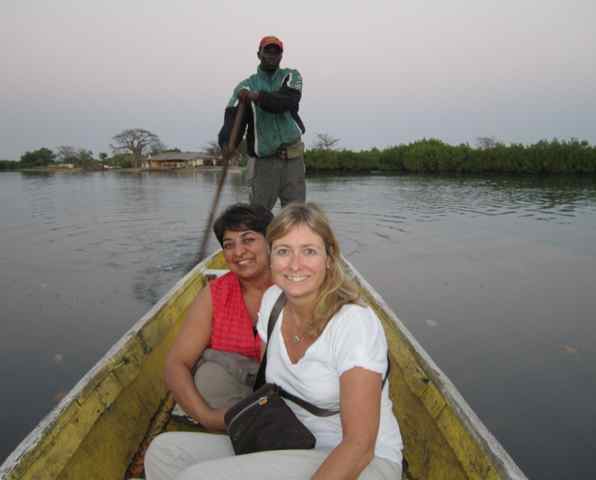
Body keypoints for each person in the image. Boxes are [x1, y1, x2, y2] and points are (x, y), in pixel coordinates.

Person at [145, 203, 403, 480]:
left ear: (329, 258)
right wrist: (216, 417)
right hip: (292, 438)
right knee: (164, 453)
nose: (295, 264)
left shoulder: (354, 323)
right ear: (271, 257)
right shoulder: (273, 304)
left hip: (361, 461)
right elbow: (269, 388)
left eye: (309, 251)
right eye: (283, 251)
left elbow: (359, 447)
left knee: (196, 477)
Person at [163, 203, 273, 432]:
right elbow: (177, 364)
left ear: (270, 242)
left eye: (248, 239)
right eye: (228, 245)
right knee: (208, 376)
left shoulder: (295, 285)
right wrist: (206, 416)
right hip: (232, 394)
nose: (238, 252)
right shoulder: (215, 294)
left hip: (287, 388)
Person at [218, 35, 306, 211]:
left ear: (281, 56)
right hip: (264, 162)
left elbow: (286, 101)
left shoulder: (291, 76)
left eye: (276, 52)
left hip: (293, 159)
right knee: (258, 215)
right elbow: (233, 118)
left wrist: (258, 96)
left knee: (296, 215)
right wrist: (227, 143)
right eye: (268, 51)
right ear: (259, 54)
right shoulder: (245, 86)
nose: (272, 55)